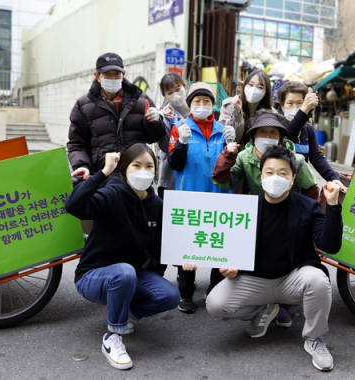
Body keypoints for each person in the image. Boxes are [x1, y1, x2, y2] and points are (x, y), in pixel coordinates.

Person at [205, 145, 343, 372]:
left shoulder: (308, 207)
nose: (275, 178)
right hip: (255, 281)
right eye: (269, 172)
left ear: (292, 178)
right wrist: (230, 265)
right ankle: (265, 309)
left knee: (318, 280)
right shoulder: (244, 209)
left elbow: (330, 246)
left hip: (291, 279)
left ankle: (314, 339)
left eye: (283, 173)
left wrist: (333, 205)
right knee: (215, 303)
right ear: (260, 176)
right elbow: (229, 246)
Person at [65, 143, 180, 371]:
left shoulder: (157, 205)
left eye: (149, 166)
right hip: (93, 275)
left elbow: (160, 250)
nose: (142, 171)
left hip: (130, 275)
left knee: (170, 296)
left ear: (155, 171)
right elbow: (74, 205)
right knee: (125, 272)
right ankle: (113, 337)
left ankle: (123, 312)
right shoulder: (112, 193)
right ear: (125, 168)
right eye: (136, 165)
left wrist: (183, 260)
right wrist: (103, 173)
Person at [167, 82, 233, 313]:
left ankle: (214, 288)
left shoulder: (222, 129)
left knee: (216, 244)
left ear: (212, 104)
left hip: (218, 195)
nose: (202, 105)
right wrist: (182, 143)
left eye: (206, 101)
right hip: (189, 196)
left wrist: (230, 146)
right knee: (188, 247)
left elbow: (230, 167)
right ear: (190, 104)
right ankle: (185, 293)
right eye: (197, 101)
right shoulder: (180, 127)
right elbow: (174, 163)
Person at [67, 52, 164, 182]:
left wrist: (154, 123)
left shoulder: (141, 101)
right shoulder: (83, 105)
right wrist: (82, 166)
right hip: (101, 178)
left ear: (123, 74)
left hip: (135, 178)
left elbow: (154, 138)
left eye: (116, 74)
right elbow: (77, 143)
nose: (112, 79)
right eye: (107, 74)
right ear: (97, 76)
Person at [278, 81, 347, 189]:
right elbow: (287, 138)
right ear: (282, 106)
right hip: (281, 185)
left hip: (301, 185)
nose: (295, 107)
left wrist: (333, 178)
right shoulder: (277, 126)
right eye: (290, 103)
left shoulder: (308, 130)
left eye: (300, 103)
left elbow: (317, 157)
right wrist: (305, 109)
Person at [156, 72, 189, 199]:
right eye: (170, 93)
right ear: (165, 95)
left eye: (177, 89)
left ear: (184, 87)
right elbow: (165, 147)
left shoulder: (197, 110)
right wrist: (169, 121)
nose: (175, 95)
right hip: (171, 181)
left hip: (194, 179)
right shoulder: (162, 116)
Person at [219, 70, 275, 144]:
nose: (254, 90)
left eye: (260, 87)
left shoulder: (271, 113)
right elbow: (232, 138)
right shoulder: (230, 105)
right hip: (230, 151)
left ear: (265, 92)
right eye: (251, 85)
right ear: (244, 86)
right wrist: (237, 113)